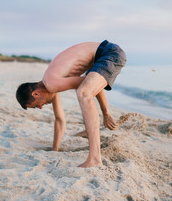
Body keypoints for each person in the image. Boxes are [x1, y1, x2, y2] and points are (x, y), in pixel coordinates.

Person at [16, 40, 126, 168]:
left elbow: (88, 86)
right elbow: (60, 119)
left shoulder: (51, 83)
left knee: (83, 93)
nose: (40, 107)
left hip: (108, 52)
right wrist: (55, 149)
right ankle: (90, 133)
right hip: (103, 55)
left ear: (36, 94)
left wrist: (106, 113)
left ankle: (95, 159)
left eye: (35, 105)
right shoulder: (50, 84)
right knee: (84, 91)